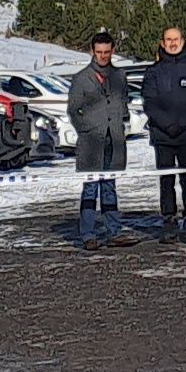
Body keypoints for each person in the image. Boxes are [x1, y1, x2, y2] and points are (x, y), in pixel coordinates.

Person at [139, 25, 186, 242]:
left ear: (183, 41)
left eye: (176, 39)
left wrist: (184, 122)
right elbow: (150, 102)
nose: (172, 43)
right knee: (166, 180)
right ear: (162, 43)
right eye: (168, 39)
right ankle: (169, 221)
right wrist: (166, 124)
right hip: (163, 135)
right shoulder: (153, 72)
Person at [65, 32, 133, 249]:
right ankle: (88, 235)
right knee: (90, 189)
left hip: (114, 141)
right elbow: (73, 110)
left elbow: (123, 102)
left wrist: (122, 121)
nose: (103, 56)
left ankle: (114, 232)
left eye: (107, 52)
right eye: (99, 52)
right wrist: (87, 129)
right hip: (91, 144)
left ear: (113, 51)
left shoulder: (119, 76)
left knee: (110, 187)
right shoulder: (81, 78)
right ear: (92, 52)